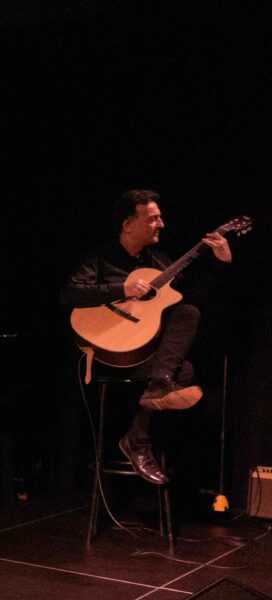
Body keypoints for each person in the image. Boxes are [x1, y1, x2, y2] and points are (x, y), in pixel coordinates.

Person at [59, 189, 232, 484]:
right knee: (183, 370)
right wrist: (120, 290)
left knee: (188, 319)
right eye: (153, 219)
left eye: (160, 217)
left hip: (138, 354)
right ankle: (146, 421)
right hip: (100, 353)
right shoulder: (99, 258)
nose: (161, 224)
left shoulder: (160, 263)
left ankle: (139, 433)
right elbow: (69, 294)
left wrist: (220, 263)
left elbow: (193, 297)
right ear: (128, 225)